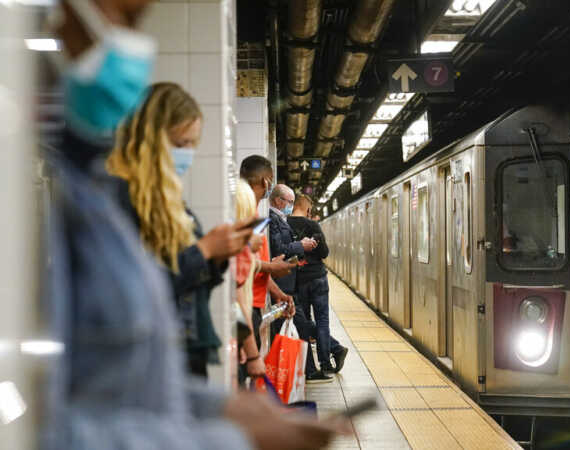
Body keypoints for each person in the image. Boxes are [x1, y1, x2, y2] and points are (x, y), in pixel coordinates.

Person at [41, 0, 348, 448]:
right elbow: (47, 418)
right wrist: (233, 438)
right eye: (124, 18)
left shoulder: (96, 199)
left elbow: (132, 386)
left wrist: (223, 408)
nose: (132, 46)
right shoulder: (50, 204)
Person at [107, 82, 248, 377]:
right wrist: (205, 249)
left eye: (192, 145)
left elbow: (187, 280)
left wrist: (218, 255)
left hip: (180, 352)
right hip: (150, 362)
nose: (187, 154)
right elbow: (135, 290)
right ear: (151, 139)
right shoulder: (119, 198)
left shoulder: (168, 202)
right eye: (180, 143)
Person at [268, 184, 333, 383]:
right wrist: (301, 246)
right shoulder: (275, 219)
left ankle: (309, 369)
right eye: (288, 202)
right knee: (312, 323)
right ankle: (317, 366)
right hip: (290, 283)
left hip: (295, 282)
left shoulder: (283, 220)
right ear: (279, 201)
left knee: (303, 325)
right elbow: (280, 248)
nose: (289, 206)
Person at [239, 155, 295, 351]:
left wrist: (278, 293)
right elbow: (241, 265)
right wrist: (272, 267)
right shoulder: (243, 214)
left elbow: (254, 263)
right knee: (247, 367)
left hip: (253, 303)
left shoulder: (253, 215)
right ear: (265, 181)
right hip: (244, 306)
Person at [288, 194, 348, 374]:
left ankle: (308, 366)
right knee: (322, 321)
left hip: (298, 280)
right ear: (307, 209)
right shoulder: (312, 225)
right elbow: (324, 253)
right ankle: (326, 363)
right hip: (318, 278)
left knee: (304, 323)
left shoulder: (285, 224)